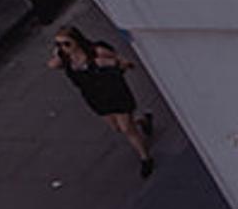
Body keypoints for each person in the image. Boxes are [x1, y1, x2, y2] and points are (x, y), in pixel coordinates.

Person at [50, 27, 158, 175]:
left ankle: (145, 157)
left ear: (77, 41)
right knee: (118, 128)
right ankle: (143, 120)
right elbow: (52, 65)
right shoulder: (66, 59)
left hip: (115, 93)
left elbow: (120, 61)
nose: (63, 48)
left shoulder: (96, 52)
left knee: (127, 129)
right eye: (58, 44)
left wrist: (112, 65)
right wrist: (57, 54)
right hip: (95, 98)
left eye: (66, 44)